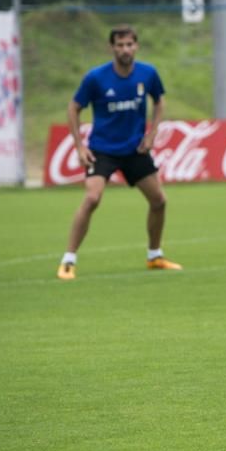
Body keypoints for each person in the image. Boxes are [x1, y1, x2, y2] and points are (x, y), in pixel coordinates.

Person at [56, 25, 182, 280]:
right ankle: (68, 260)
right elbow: (73, 108)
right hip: (102, 150)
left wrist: (152, 134)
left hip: (134, 149)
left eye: (129, 44)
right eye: (120, 45)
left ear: (136, 46)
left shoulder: (148, 74)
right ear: (112, 47)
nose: (125, 49)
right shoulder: (96, 78)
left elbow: (159, 101)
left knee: (159, 201)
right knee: (92, 198)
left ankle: (154, 255)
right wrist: (80, 146)